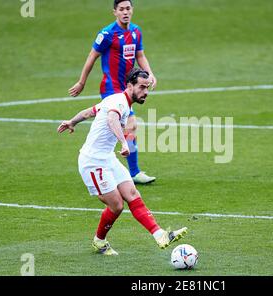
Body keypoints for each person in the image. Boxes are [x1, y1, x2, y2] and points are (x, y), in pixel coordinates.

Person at [58, 69, 187, 255]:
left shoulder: (118, 100)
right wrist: (123, 142)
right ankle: (99, 241)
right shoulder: (119, 102)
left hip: (108, 158)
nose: (146, 92)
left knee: (132, 193)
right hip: (93, 162)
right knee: (117, 205)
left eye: (147, 88)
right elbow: (112, 119)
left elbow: (89, 112)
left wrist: (72, 121)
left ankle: (160, 235)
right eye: (142, 87)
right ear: (129, 86)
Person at [68, 0, 156, 185]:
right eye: (121, 9)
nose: (125, 12)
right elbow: (92, 56)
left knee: (121, 128)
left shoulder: (136, 31)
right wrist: (82, 82)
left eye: (128, 9)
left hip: (128, 87)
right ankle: (132, 171)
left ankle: (113, 166)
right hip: (111, 88)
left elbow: (140, 55)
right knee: (130, 125)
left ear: (132, 10)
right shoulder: (107, 34)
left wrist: (149, 75)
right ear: (114, 12)